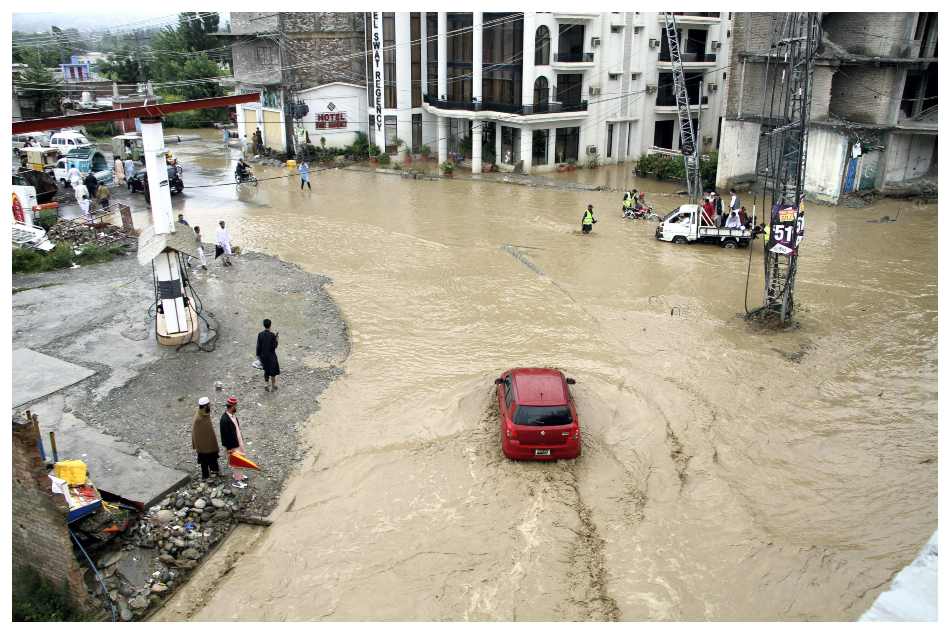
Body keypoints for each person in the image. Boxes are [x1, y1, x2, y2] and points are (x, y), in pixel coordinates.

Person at [219, 396, 249, 488]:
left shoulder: (232, 416)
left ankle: (239, 476)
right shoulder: (224, 420)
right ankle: (237, 480)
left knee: (240, 460)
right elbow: (224, 436)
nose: (236, 407)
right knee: (237, 462)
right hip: (233, 446)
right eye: (235, 406)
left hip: (238, 443)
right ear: (232, 406)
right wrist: (229, 448)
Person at [192, 397, 220, 480]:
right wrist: (199, 445)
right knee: (204, 460)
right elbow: (196, 434)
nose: (210, 406)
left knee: (212, 457)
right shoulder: (198, 419)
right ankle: (205, 476)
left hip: (209, 442)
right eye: (208, 405)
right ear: (205, 406)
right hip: (203, 446)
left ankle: (214, 471)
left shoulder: (205, 413)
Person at [256, 319, 280, 392]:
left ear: (264, 325)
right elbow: (274, 346)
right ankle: (273, 386)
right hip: (271, 356)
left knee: (266, 370)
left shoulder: (260, 334)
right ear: (270, 325)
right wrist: (277, 339)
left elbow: (258, 346)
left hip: (263, 356)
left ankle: (266, 384)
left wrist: (258, 356)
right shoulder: (272, 335)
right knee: (273, 371)